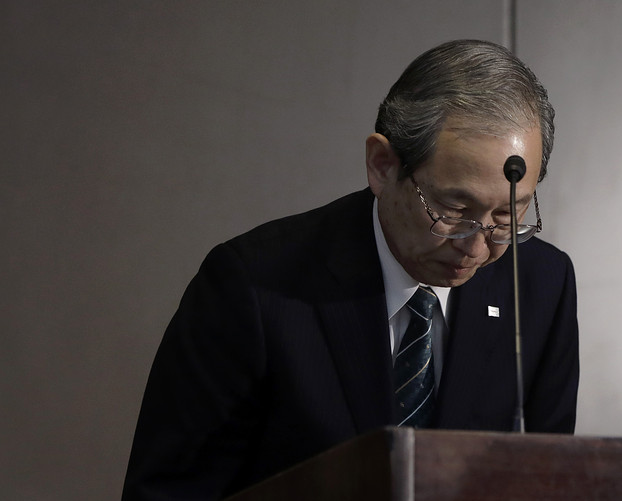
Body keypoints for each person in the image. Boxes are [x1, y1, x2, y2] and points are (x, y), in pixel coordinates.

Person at [122, 39, 579, 500]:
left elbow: (551, 482)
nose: (478, 245)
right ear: (383, 166)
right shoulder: (254, 286)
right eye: (453, 209)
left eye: (508, 216)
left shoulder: (542, 285)